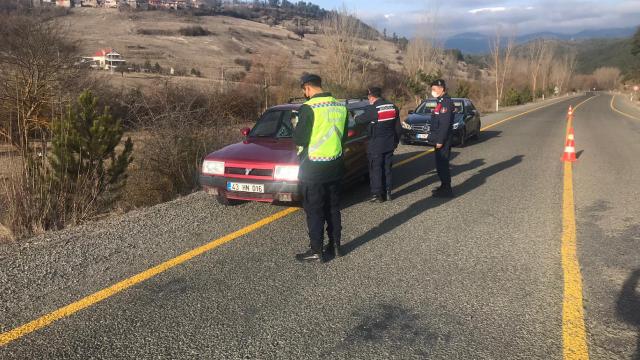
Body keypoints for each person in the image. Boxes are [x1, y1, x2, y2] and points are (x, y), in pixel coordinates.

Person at [293, 74, 349, 263]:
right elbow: (344, 136)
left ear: (307, 88)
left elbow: (299, 139)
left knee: (315, 210)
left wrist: (295, 124)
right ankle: (336, 246)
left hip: (313, 168)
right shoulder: (341, 106)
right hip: (335, 165)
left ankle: (316, 250)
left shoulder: (309, 108)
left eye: (304, 91)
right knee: (333, 208)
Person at [355, 86, 401, 203]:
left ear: (371, 96)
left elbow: (359, 120)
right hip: (389, 143)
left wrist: (354, 116)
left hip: (375, 145)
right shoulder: (393, 107)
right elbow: (398, 128)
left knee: (376, 169)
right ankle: (388, 193)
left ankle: (377, 195)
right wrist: (395, 142)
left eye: (368, 96)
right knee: (387, 169)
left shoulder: (373, 109)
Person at [428, 79, 455, 198]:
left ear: (442, 89)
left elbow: (444, 124)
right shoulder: (440, 101)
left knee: (443, 164)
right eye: (432, 89)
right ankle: (444, 185)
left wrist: (440, 140)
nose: (432, 91)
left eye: (434, 89)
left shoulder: (446, 103)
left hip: (442, 139)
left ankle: (447, 189)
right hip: (439, 137)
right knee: (440, 164)